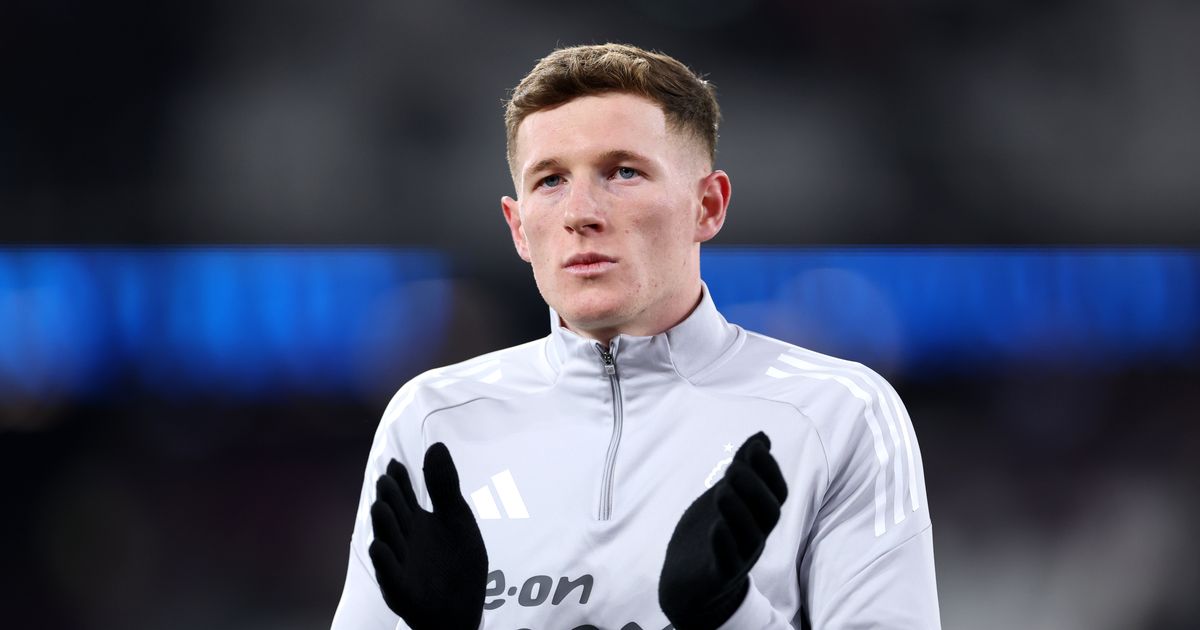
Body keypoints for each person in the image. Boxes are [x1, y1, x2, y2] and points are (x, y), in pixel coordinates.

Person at [331, 43, 940, 630]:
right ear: (518, 228)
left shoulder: (836, 413)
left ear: (708, 205)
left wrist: (729, 615)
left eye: (623, 172)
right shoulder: (432, 420)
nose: (580, 213)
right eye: (550, 180)